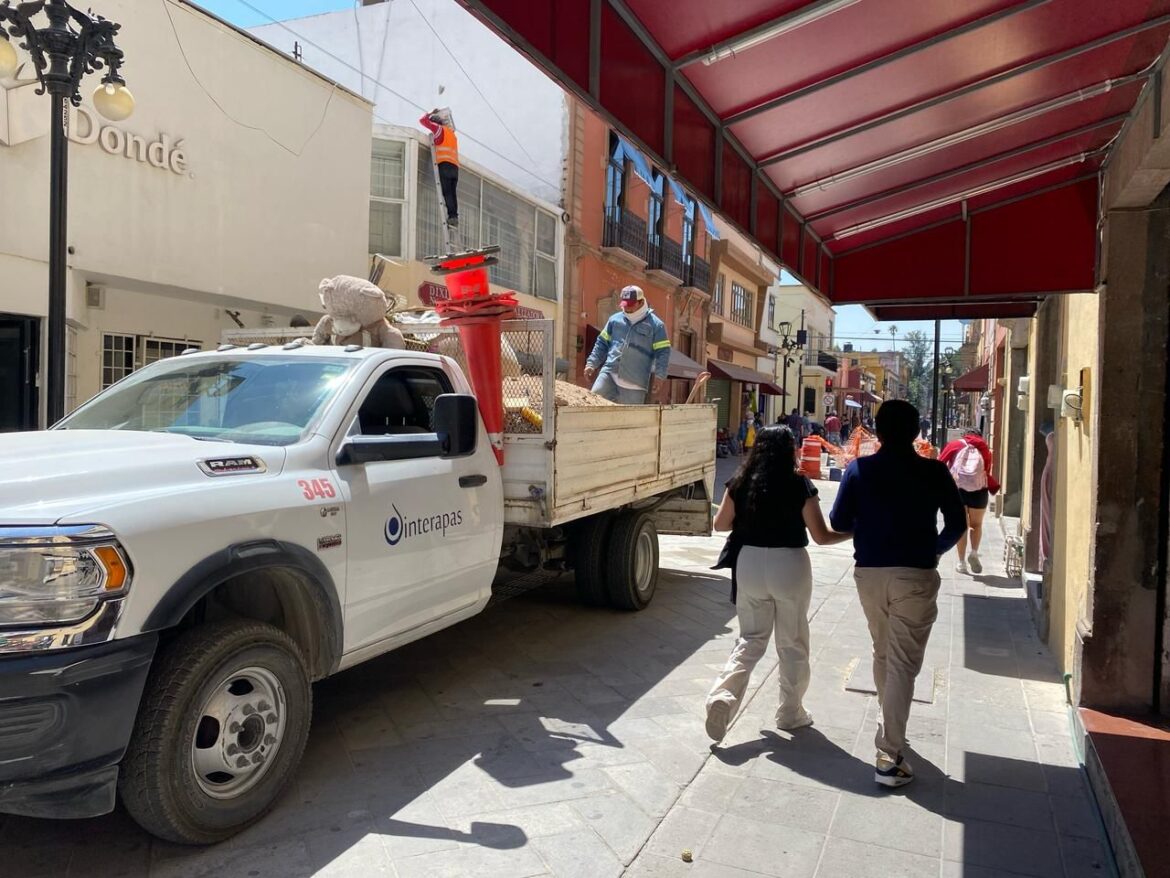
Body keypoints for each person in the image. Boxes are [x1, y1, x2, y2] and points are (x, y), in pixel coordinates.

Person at [829, 400, 966, 788]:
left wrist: (874, 525)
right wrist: (933, 548)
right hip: (915, 573)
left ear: (878, 431)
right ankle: (889, 756)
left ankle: (888, 719)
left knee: (883, 650)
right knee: (903, 661)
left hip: (870, 572)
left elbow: (838, 520)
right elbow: (956, 524)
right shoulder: (934, 471)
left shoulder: (858, 469)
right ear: (917, 431)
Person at [705, 426, 851, 742]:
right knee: (793, 641)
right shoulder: (798, 484)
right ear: (789, 450)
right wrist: (855, 533)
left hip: (750, 564)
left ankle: (723, 696)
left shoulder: (740, 482)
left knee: (751, 638)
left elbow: (720, 525)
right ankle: (790, 712)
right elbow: (822, 536)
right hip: (790, 565)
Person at [584, 285, 670, 404]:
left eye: (631, 304)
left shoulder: (656, 325)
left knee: (629, 420)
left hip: (635, 384)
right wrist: (591, 363)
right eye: (625, 304)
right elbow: (602, 343)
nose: (627, 308)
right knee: (592, 403)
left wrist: (660, 376)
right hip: (609, 373)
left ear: (640, 302)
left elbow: (663, 353)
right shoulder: (614, 320)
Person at [938, 428, 999, 575]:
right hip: (979, 490)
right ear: (979, 436)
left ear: (964, 435)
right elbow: (987, 469)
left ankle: (961, 562)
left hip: (958, 490)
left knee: (962, 526)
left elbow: (940, 464)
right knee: (976, 525)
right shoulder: (984, 448)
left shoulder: (954, 445)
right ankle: (974, 552)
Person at [419, 108, 460, 231]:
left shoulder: (439, 130)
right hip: (455, 167)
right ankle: (454, 217)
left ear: (435, 123)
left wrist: (430, 113)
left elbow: (422, 120)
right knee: (452, 194)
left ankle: (452, 218)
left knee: (447, 193)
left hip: (445, 165)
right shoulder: (451, 134)